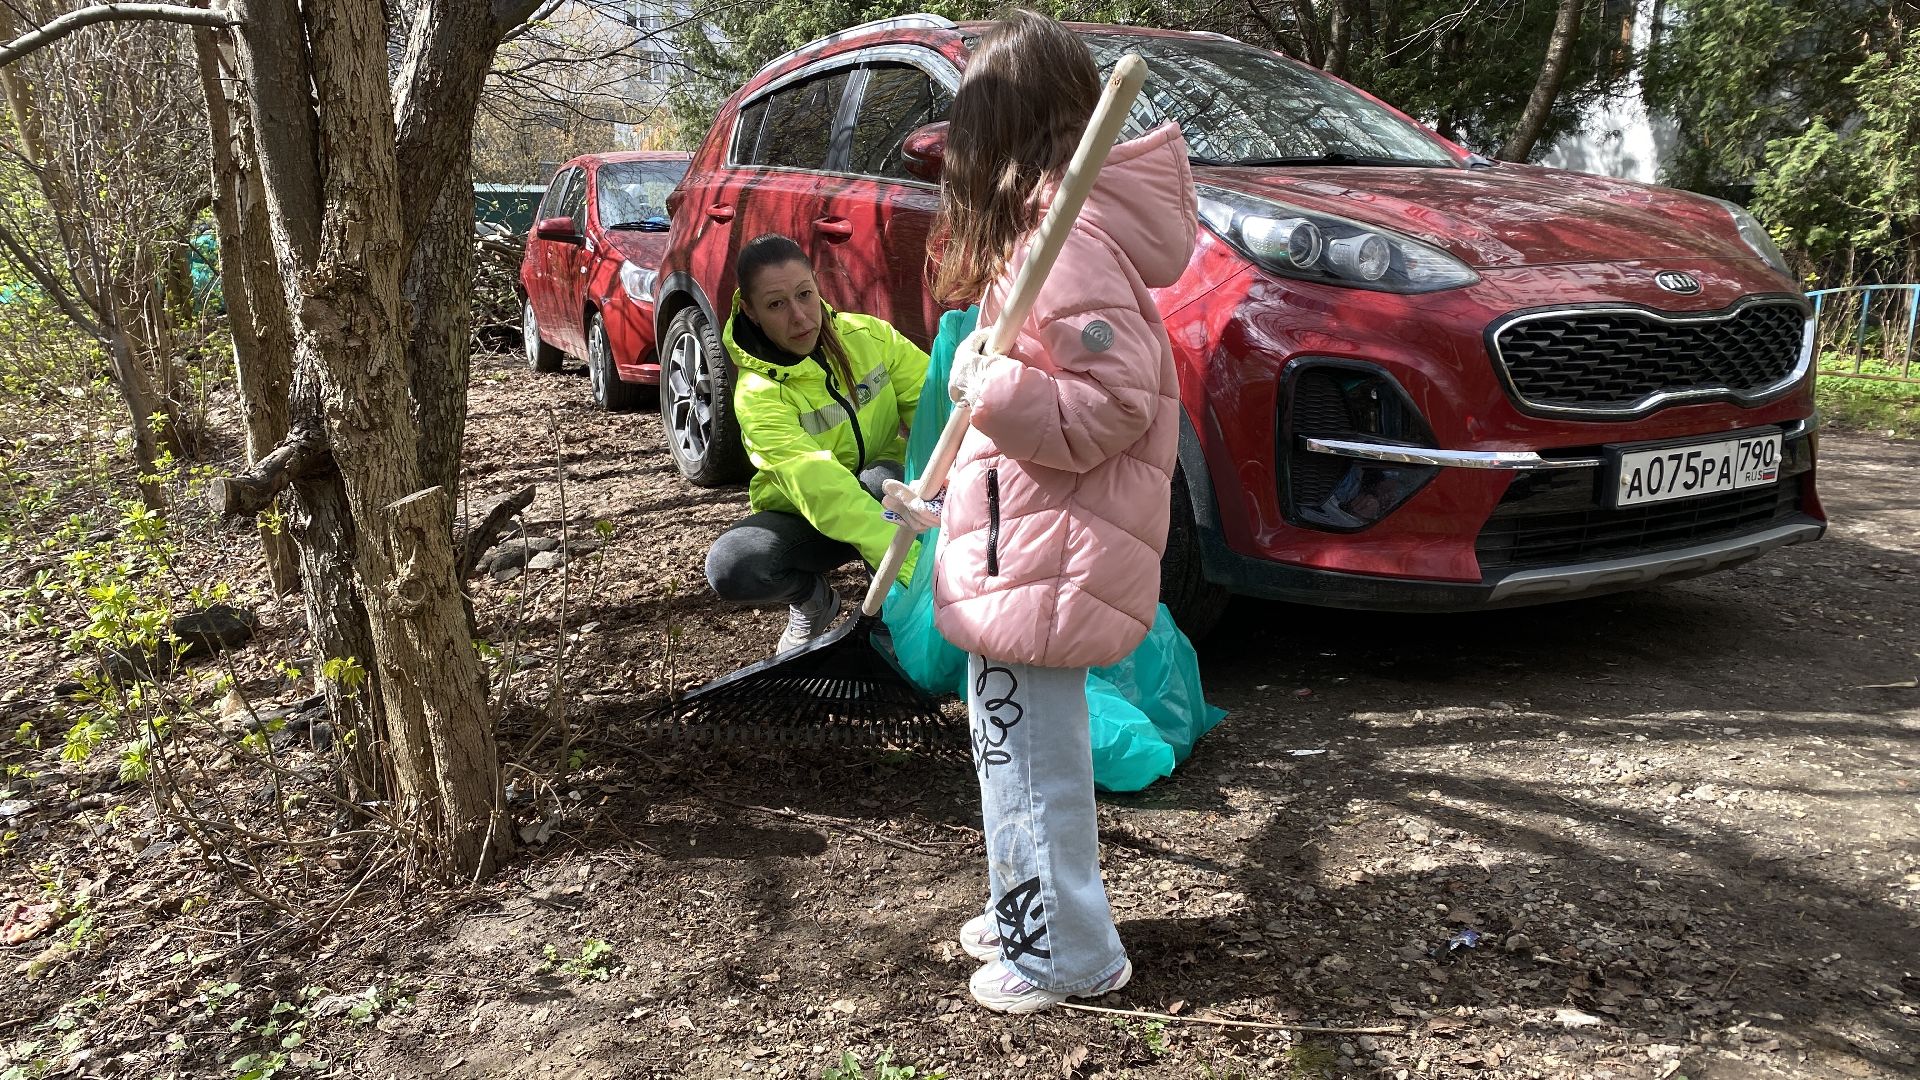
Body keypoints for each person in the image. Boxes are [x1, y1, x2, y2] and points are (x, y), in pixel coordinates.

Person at [882, 10, 1198, 1014]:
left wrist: (992, 384)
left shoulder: (1060, 246)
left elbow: (1108, 407)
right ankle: (1025, 907)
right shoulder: (1042, 233)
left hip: (1047, 562)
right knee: (1006, 751)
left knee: (1032, 765)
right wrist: (943, 506)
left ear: (991, 132)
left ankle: (1068, 953)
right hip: (1022, 544)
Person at [704, 234, 929, 653]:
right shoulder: (757, 395)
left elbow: (936, 413)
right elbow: (819, 484)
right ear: (751, 313)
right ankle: (814, 603)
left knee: (880, 478)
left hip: (884, 496)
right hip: (810, 515)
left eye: (805, 294)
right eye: (776, 305)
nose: (800, 316)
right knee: (733, 564)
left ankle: (892, 622)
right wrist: (912, 562)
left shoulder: (871, 339)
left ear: (817, 286)